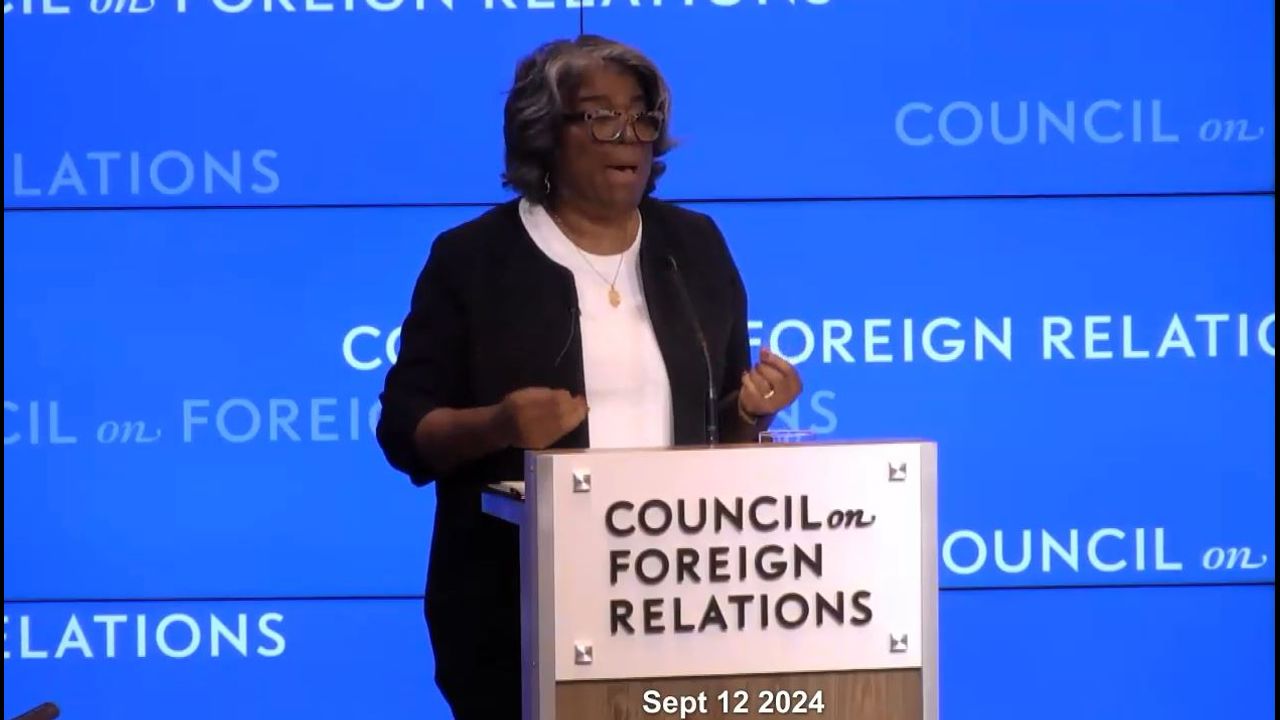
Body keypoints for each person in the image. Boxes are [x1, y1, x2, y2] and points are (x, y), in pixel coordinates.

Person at [375, 34, 804, 719]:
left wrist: (752, 413)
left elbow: (719, 430)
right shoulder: (473, 260)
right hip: (516, 612)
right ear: (545, 133)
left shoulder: (694, 246)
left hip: (680, 605)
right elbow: (404, 431)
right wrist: (499, 425)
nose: (627, 135)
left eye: (641, 116)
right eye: (601, 116)